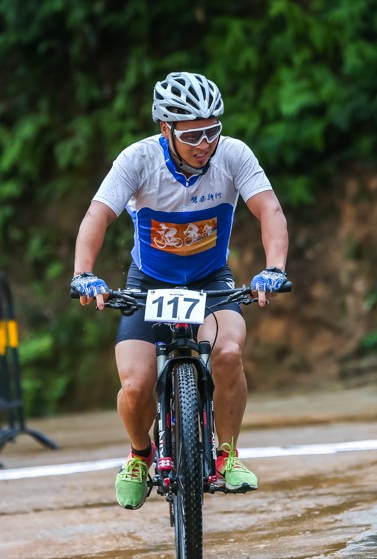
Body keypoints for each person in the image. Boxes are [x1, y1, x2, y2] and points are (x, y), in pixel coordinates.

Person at [71, 71, 289, 510]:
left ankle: (227, 453)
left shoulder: (233, 155)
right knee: (136, 385)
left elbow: (270, 211)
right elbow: (97, 216)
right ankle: (139, 454)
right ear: (165, 129)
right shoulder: (137, 160)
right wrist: (84, 274)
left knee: (227, 354)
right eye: (192, 134)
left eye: (212, 130)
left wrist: (274, 269)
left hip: (210, 281)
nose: (204, 142)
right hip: (148, 283)